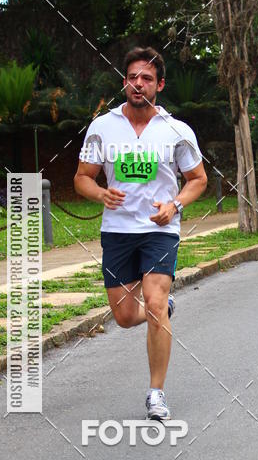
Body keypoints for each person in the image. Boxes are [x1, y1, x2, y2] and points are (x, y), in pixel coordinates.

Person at [74, 47, 207, 420]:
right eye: (133, 77)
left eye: (147, 78)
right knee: (124, 315)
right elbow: (82, 177)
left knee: (155, 301)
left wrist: (175, 205)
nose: (138, 83)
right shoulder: (103, 126)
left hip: (158, 230)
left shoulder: (177, 131)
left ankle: (156, 393)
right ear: (124, 83)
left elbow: (198, 180)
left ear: (159, 85)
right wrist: (100, 192)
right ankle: (160, 310)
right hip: (117, 231)